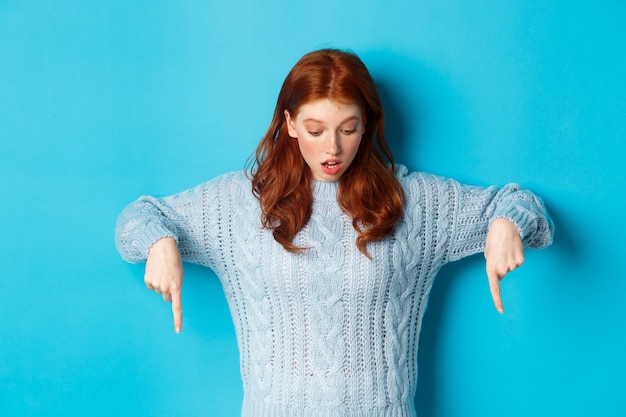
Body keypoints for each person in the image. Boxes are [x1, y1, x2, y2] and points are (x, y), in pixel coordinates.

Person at [115, 48, 553, 417]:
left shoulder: (414, 201)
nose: (332, 148)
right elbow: (137, 217)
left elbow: (522, 204)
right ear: (289, 124)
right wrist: (160, 241)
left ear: (367, 124)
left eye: (348, 129)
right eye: (315, 130)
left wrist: (505, 224)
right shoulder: (239, 203)